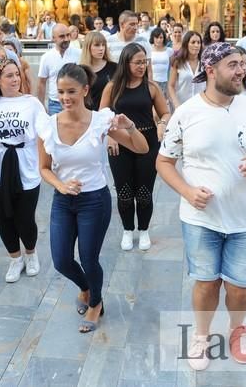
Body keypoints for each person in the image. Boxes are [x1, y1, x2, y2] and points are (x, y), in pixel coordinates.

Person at [156, 42, 246, 370]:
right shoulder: (186, 113)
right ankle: (201, 335)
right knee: (206, 282)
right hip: (201, 218)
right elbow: (164, 162)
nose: (241, 70)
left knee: (240, 288)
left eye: (242, 63)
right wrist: (186, 190)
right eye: (232, 65)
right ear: (210, 70)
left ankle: (237, 329)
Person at [38, 63, 148, 333]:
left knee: (89, 258)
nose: (65, 98)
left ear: (86, 90)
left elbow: (141, 148)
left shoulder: (101, 121)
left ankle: (96, 303)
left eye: (72, 91)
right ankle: (86, 288)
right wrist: (61, 185)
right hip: (63, 201)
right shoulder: (48, 125)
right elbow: (43, 168)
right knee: (62, 260)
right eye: (61, 92)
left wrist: (131, 127)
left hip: (94, 201)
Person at [0, 58, 46, 282]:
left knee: (25, 217)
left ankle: (31, 253)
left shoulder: (32, 103)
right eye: (9, 75)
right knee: (4, 216)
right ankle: (15, 258)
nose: (15, 79)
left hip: (27, 168)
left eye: (17, 74)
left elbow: (46, 133)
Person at [101, 43, 170, 251]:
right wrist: (111, 136)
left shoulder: (151, 87)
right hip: (121, 142)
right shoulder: (112, 87)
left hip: (147, 141)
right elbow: (102, 116)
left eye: (144, 62)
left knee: (144, 191)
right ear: (126, 63)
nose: (142, 66)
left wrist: (162, 124)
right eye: (138, 62)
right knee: (123, 191)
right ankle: (127, 230)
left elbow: (165, 112)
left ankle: (144, 230)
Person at [37, 24, 82, 114]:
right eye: (62, 36)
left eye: (68, 35)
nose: (66, 39)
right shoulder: (46, 57)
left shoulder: (79, 54)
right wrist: (41, 106)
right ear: (53, 38)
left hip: (75, 103)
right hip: (55, 104)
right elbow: (42, 83)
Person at [168, 31, 206, 109]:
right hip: (182, 106)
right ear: (186, 44)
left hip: (201, 107)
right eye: (193, 42)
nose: (196, 45)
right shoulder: (178, 62)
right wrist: (176, 104)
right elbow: (171, 86)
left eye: (199, 42)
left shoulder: (205, 63)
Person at [79, 31, 117, 109]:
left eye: (103, 45)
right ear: (88, 47)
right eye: (97, 45)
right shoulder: (80, 70)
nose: (101, 48)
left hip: (109, 115)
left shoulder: (114, 67)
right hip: (88, 116)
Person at [149, 27, 174, 96]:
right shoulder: (149, 50)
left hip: (165, 82)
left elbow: (172, 67)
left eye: (161, 37)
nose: (159, 40)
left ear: (164, 38)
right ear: (153, 38)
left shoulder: (169, 50)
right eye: (156, 38)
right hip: (153, 82)